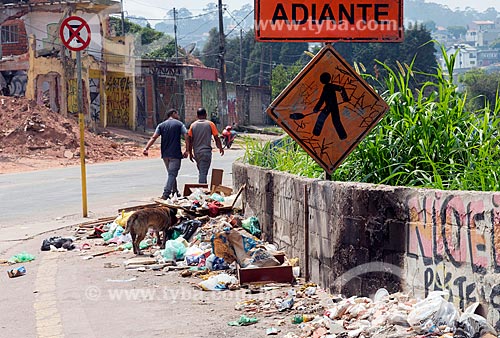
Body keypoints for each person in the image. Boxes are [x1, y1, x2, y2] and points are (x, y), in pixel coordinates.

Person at [143, 108, 188, 199]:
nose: (178, 116)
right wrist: (187, 150)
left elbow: (154, 137)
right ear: (173, 113)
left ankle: (175, 191)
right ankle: (166, 193)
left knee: (171, 173)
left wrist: (146, 148)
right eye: (177, 114)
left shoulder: (161, 125)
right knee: (172, 174)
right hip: (175, 153)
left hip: (165, 154)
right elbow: (186, 135)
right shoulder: (179, 124)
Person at [187, 107, 224, 184]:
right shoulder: (210, 124)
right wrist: (220, 148)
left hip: (196, 153)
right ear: (206, 115)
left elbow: (189, 140)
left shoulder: (192, 125)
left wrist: (190, 153)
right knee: (203, 173)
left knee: (202, 171)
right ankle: (201, 190)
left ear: (197, 116)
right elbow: (216, 138)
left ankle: (203, 187)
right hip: (206, 152)